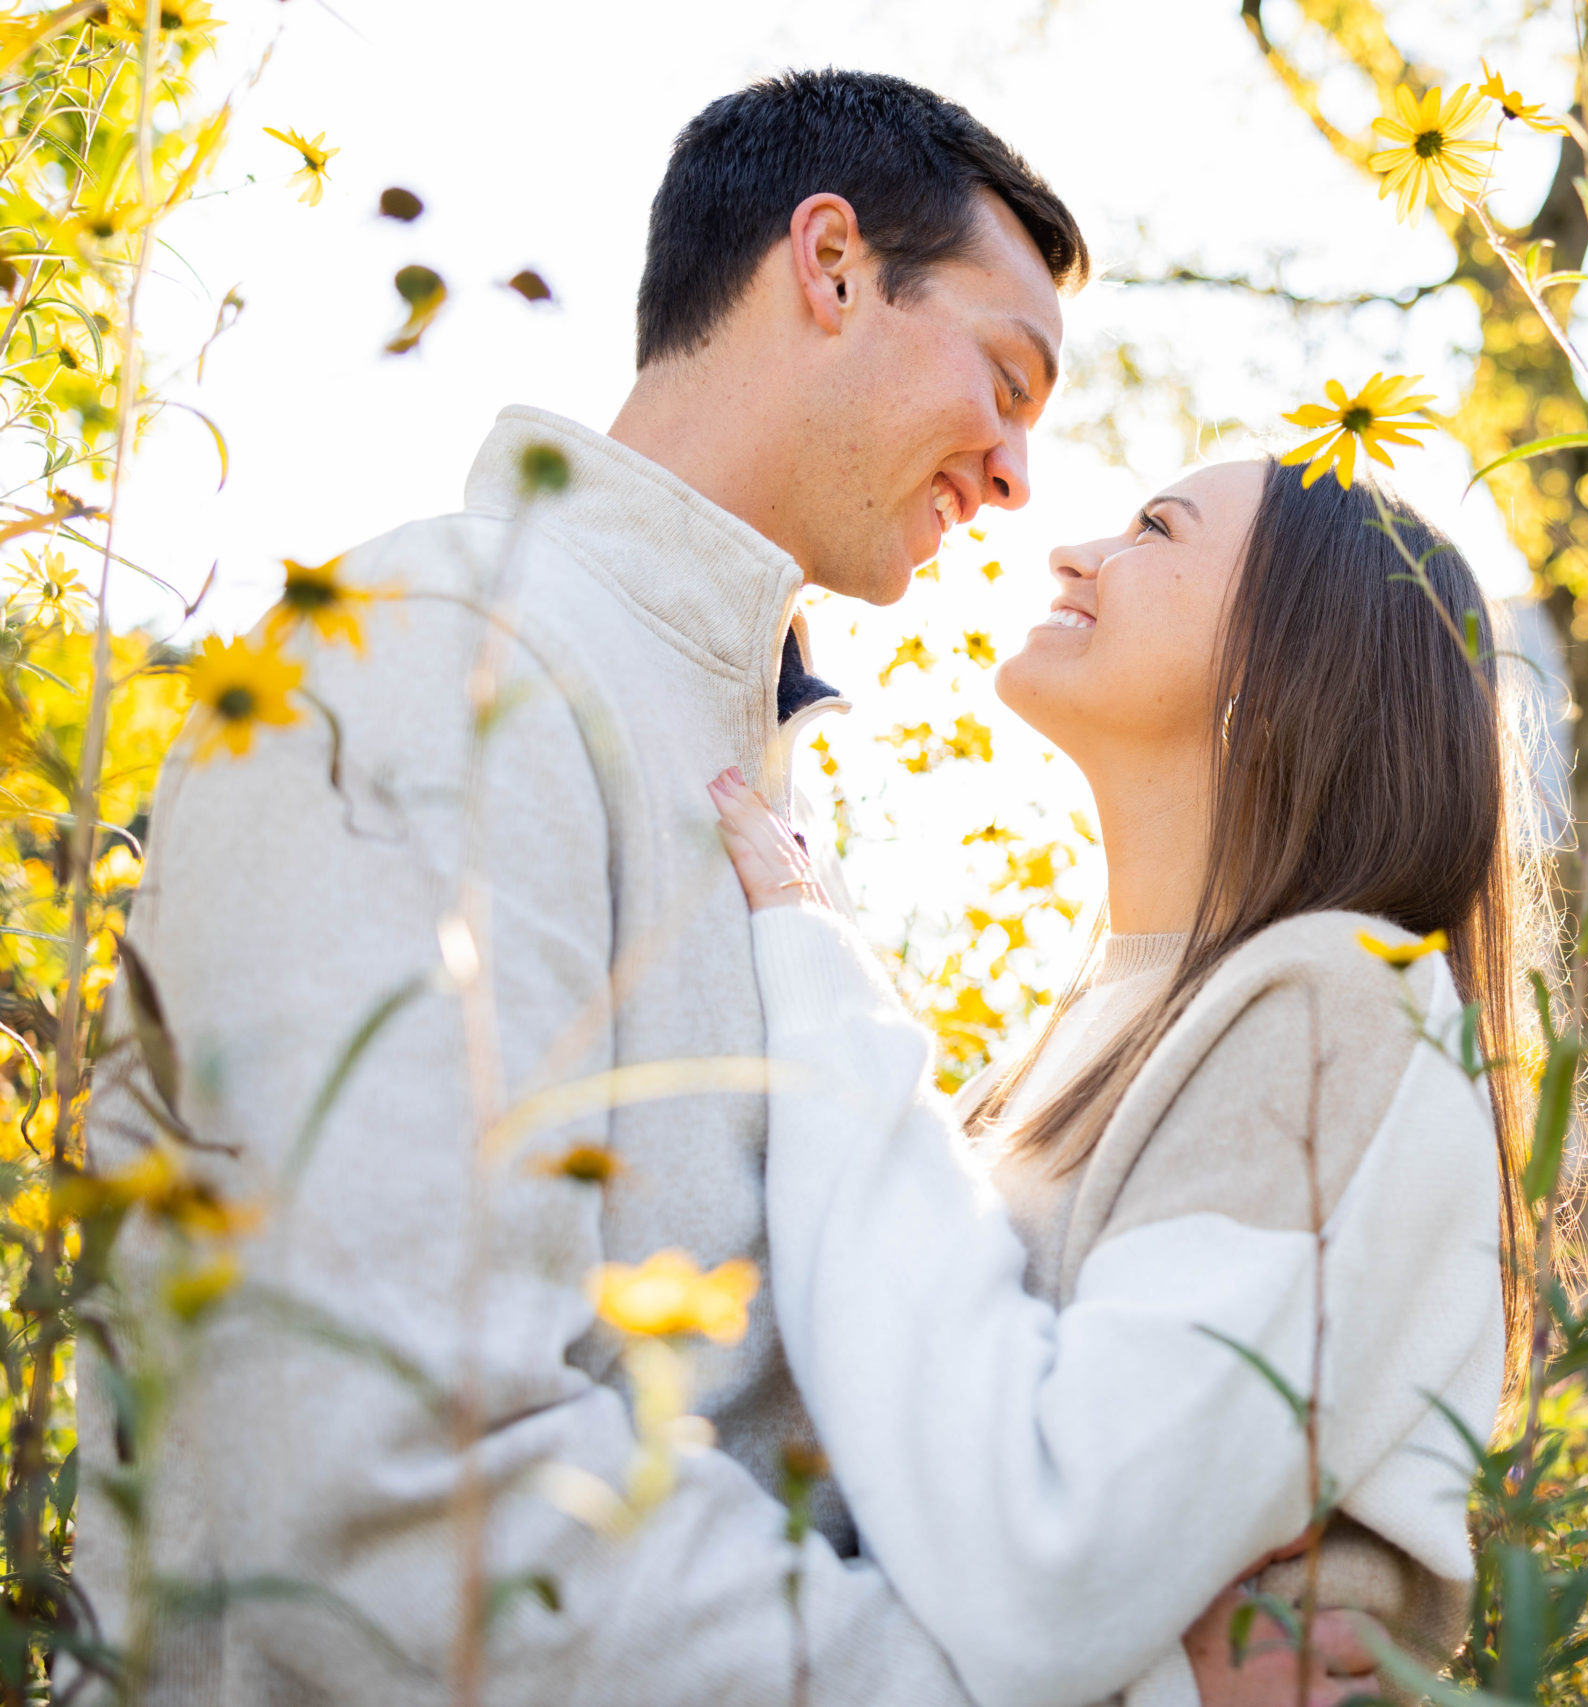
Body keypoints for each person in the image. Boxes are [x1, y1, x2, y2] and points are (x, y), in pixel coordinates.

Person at [74, 71, 1376, 1705]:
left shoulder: (748, 771)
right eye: (1007, 374)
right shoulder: (433, 661)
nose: (1022, 475)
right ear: (829, 266)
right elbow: (382, 1502)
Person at [706, 459, 1535, 1707]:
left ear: (1294, 649)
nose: (1073, 552)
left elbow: (1050, 1572)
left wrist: (823, 981)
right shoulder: (1098, 1020)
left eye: (1155, 528)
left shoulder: (1334, 1002)